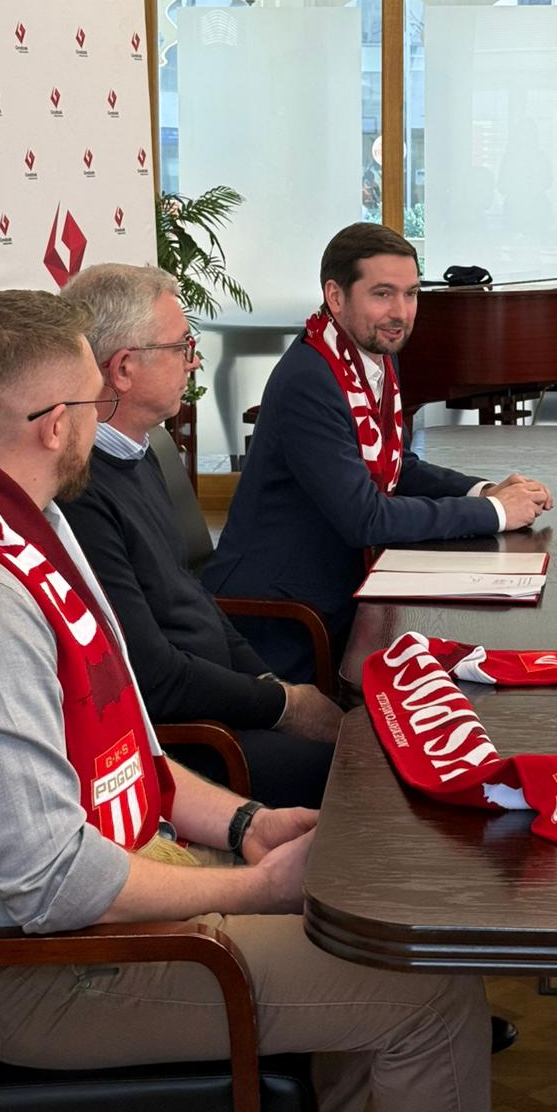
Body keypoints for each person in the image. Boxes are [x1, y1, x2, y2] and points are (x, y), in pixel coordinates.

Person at [0, 290, 493, 1112]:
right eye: (92, 399)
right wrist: (255, 888)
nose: (104, 417)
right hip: (35, 976)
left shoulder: (21, 522)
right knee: (430, 997)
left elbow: (131, 755)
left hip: (101, 914)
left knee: (390, 930)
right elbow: (51, 884)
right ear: (54, 424)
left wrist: (246, 823)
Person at [204, 222, 554, 680]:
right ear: (335, 296)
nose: (401, 313)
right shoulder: (310, 379)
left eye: (411, 294)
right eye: (383, 294)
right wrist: (495, 513)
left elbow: (395, 466)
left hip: (341, 587)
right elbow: (365, 518)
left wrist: (481, 491)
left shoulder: (371, 355)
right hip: (282, 619)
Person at [56, 262, 340, 810]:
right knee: (365, 772)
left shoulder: (139, 451)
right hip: (195, 745)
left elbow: (193, 599)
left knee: (372, 743)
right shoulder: (81, 494)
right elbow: (152, 679)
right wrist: (281, 705)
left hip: (223, 707)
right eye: (181, 346)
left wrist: (269, 682)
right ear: (123, 369)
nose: (194, 361)